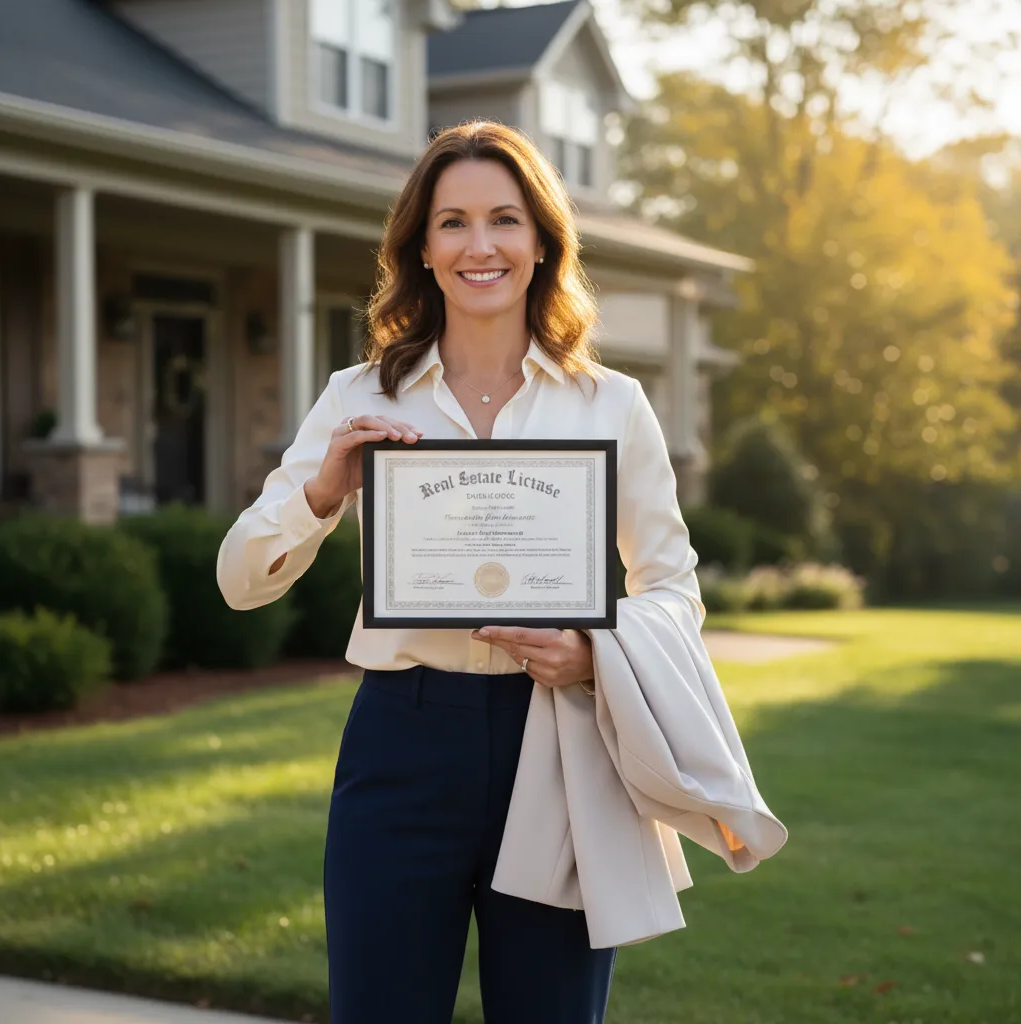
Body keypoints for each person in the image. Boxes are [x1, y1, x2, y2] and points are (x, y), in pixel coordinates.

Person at [216, 120, 779, 1024]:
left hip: (557, 745)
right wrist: (324, 492)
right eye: (453, 223)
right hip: (402, 741)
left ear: (543, 243)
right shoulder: (358, 396)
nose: (481, 245)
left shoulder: (612, 404)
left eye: (505, 220)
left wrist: (596, 655)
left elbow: (672, 589)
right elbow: (241, 580)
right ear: (422, 250)